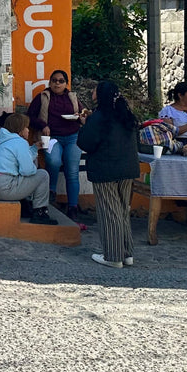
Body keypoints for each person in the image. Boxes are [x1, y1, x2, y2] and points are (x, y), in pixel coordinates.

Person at [77, 80, 140, 268]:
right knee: (121, 211)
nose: (92, 92)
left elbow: (86, 143)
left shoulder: (99, 117)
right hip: (128, 168)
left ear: (100, 95)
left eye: (95, 90)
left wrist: (84, 125)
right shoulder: (126, 115)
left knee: (109, 213)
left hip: (106, 169)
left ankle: (113, 256)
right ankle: (127, 253)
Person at [26, 69, 89, 220]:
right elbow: (30, 116)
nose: (57, 83)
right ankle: (52, 190)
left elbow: (83, 114)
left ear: (66, 83)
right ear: (50, 82)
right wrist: (42, 125)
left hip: (73, 136)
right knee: (53, 161)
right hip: (52, 137)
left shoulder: (72, 97)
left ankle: (73, 207)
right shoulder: (43, 96)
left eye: (61, 81)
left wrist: (80, 117)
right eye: (54, 80)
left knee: (72, 171)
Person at [0, 112, 57, 225]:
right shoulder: (20, 142)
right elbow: (27, 170)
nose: (28, 130)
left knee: (26, 176)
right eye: (26, 127)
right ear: (20, 130)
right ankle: (40, 212)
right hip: (6, 189)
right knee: (42, 175)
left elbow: (19, 156)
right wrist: (33, 169)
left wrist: (34, 149)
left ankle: (28, 206)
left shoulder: (4, 139)